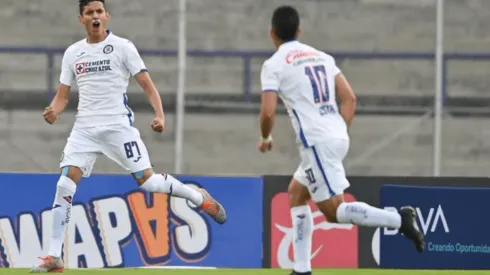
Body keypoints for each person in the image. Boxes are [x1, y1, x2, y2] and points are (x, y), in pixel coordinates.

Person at [30, 0, 226, 272]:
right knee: (65, 183)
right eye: (90, 13)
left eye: (99, 11)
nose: (95, 16)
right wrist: (54, 111)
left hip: (118, 126)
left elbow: (147, 85)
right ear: (81, 19)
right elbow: (62, 97)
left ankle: (196, 196)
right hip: (84, 129)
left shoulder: (123, 47)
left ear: (106, 16)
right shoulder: (73, 53)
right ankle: (54, 256)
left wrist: (160, 115)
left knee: (147, 182)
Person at [258, 5, 425, 275]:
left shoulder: (274, 65)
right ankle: (301, 269)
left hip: (316, 144)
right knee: (296, 194)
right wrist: (338, 131)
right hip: (336, 134)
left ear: (272, 33)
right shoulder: (322, 56)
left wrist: (266, 137)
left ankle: (399, 219)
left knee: (334, 211)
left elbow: (267, 111)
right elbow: (350, 98)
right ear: (299, 31)